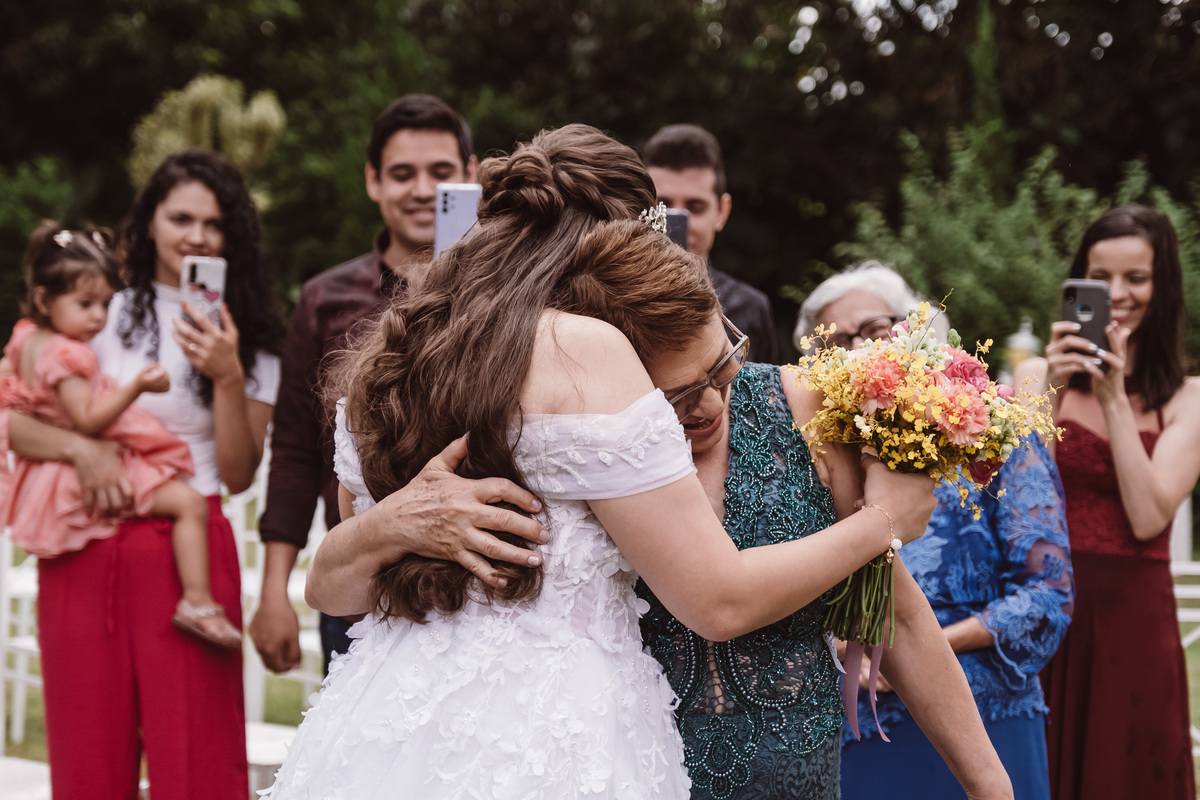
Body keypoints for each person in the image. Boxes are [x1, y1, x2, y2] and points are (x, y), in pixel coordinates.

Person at [267, 126, 1012, 799]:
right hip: (557, 745)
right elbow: (718, 599)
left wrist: (991, 787)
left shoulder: (405, 363)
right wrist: (888, 517)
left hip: (397, 737)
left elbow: (900, 614)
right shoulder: (578, 361)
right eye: (677, 395)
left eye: (725, 366)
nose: (708, 404)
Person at [1, 149, 284, 799]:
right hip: (83, 539)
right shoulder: (93, 310)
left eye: (213, 224)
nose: (197, 236)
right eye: (180, 217)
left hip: (188, 546)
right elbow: (10, 423)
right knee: (87, 754)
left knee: (198, 760)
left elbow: (239, 473)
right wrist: (83, 450)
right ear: (149, 222)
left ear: (231, 234)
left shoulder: (252, 334)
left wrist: (228, 373)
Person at [792, 263, 1074, 800]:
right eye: (837, 341)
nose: (858, 349)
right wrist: (843, 645)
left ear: (919, 334)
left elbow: (1049, 595)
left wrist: (923, 652)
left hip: (989, 709)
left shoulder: (995, 437)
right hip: (863, 721)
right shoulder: (817, 459)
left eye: (874, 329)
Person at [250, 93, 482, 675]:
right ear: (373, 181)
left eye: (440, 173)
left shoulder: (503, 297)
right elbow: (298, 454)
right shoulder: (324, 300)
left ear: (471, 176)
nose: (422, 189)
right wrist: (273, 591)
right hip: (360, 586)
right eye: (402, 174)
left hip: (486, 586)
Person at [1017, 205, 1200, 800]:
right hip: (1046, 612)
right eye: (1102, 278)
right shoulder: (1041, 380)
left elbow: (1150, 517)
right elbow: (1013, 499)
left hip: (1133, 623)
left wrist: (1114, 399)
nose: (1118, 294)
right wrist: (1047, 390)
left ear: (1163, 284)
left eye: (1136, 278)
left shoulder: (1188, 397)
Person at [0, 221, 241, 649]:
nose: (98, 316)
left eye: (105, 303)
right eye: (85, 303)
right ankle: (198, 602)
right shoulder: (68, 352)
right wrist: (137, 387)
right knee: (188, 503)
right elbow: (88, 420)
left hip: (51, 468)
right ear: (43, 298)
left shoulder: (24, 338)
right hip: (81, 468)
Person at [643, 124, 778, 364]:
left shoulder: (750, 308)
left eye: (695, 208)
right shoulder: (609, 301)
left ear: (722, 211)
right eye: (664, 206)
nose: (677, 224)